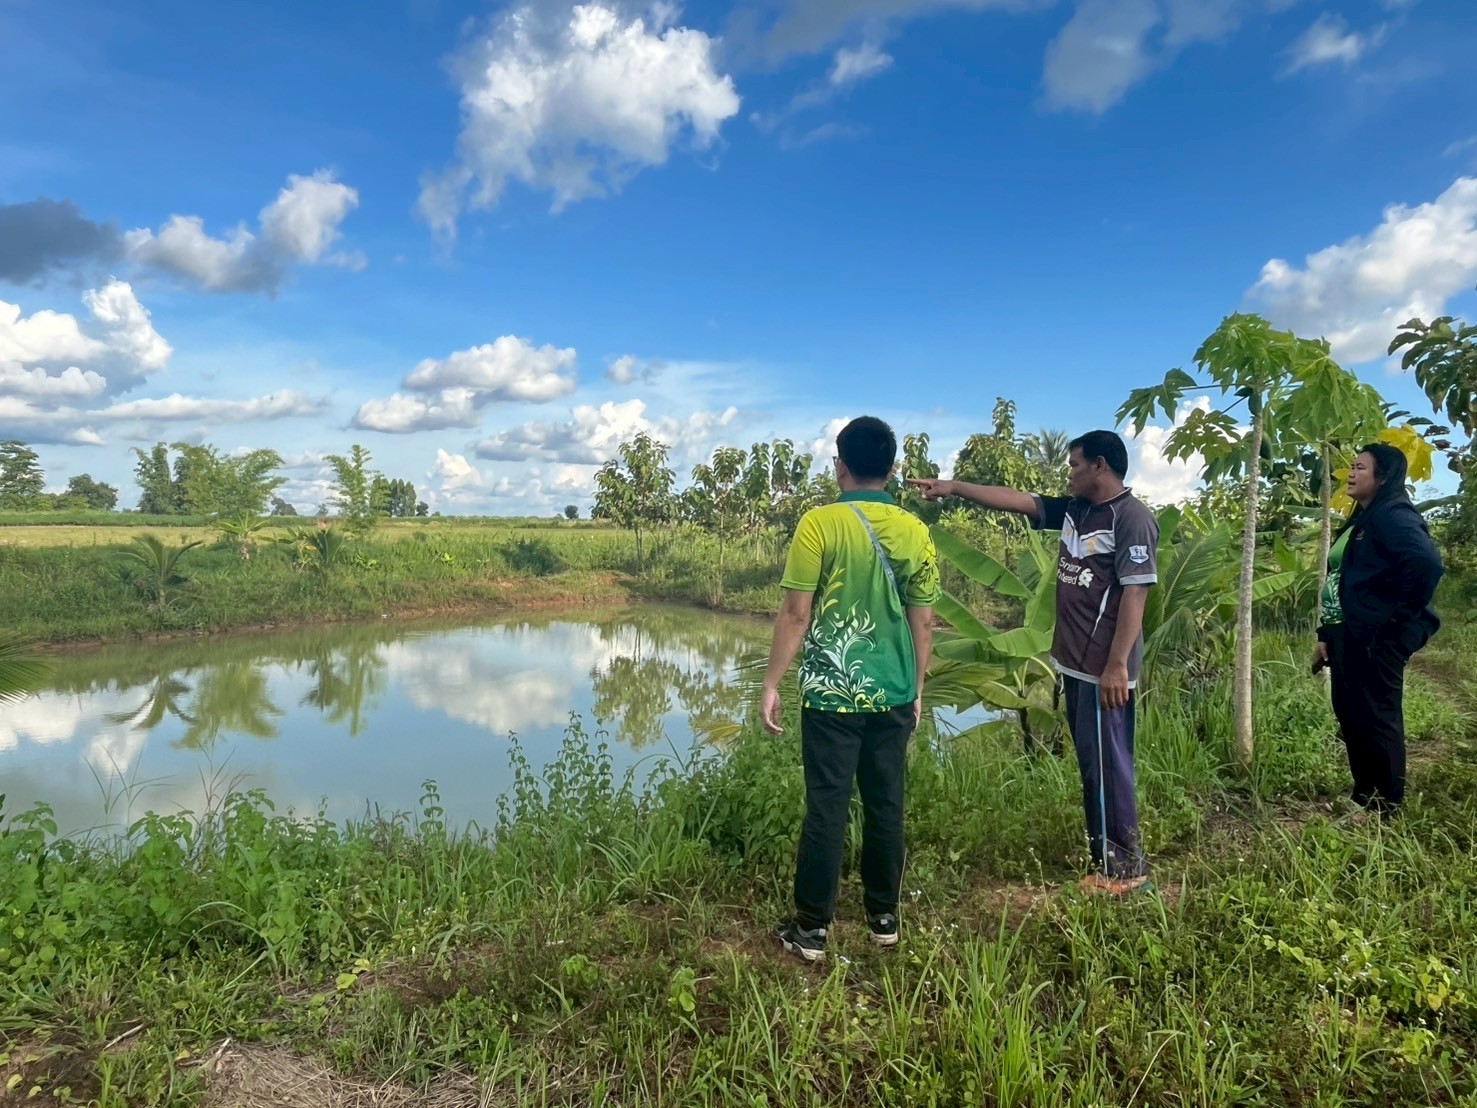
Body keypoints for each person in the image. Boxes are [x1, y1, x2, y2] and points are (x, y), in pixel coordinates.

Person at [911, 430, 1156, 895]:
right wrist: (954, 487)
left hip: (1105, 669)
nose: (1069, 473)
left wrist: (1117, 666)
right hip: (1076, 663)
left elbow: (1135, 595)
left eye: (1075, 464)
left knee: (1110, 766)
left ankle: (1125, 870)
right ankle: (1104, 862)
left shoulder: (1131, 518)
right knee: (1093, 766)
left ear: (1100, 465)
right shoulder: (1078, 509)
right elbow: (1018, 501)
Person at [761, 416, 940, 962]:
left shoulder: (818, 524)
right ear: (892, 468)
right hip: (893, 691)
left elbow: (796, 614)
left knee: (827, 806)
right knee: (886, 804)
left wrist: (771, 682)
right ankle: (884, 919)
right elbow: (924, 622)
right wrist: (916, 687)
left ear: (840, 466)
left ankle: (812, 929)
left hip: (831, 692)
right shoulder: (915, 530)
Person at [1313, 443, 1443, 816]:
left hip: (1376, 637)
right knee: (1352, 714)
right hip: (1346, 634)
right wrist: (1325, 635)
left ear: (1383, 477)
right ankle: (1364, 798)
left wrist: (1395, 623)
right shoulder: (1363, 518)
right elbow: (1343, 578)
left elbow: (1426, 565)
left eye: (1360, 467)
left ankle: (1385, 807)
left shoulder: (1393, 515)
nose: (1351, 473)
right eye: (1352, 466)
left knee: (1377, 718)